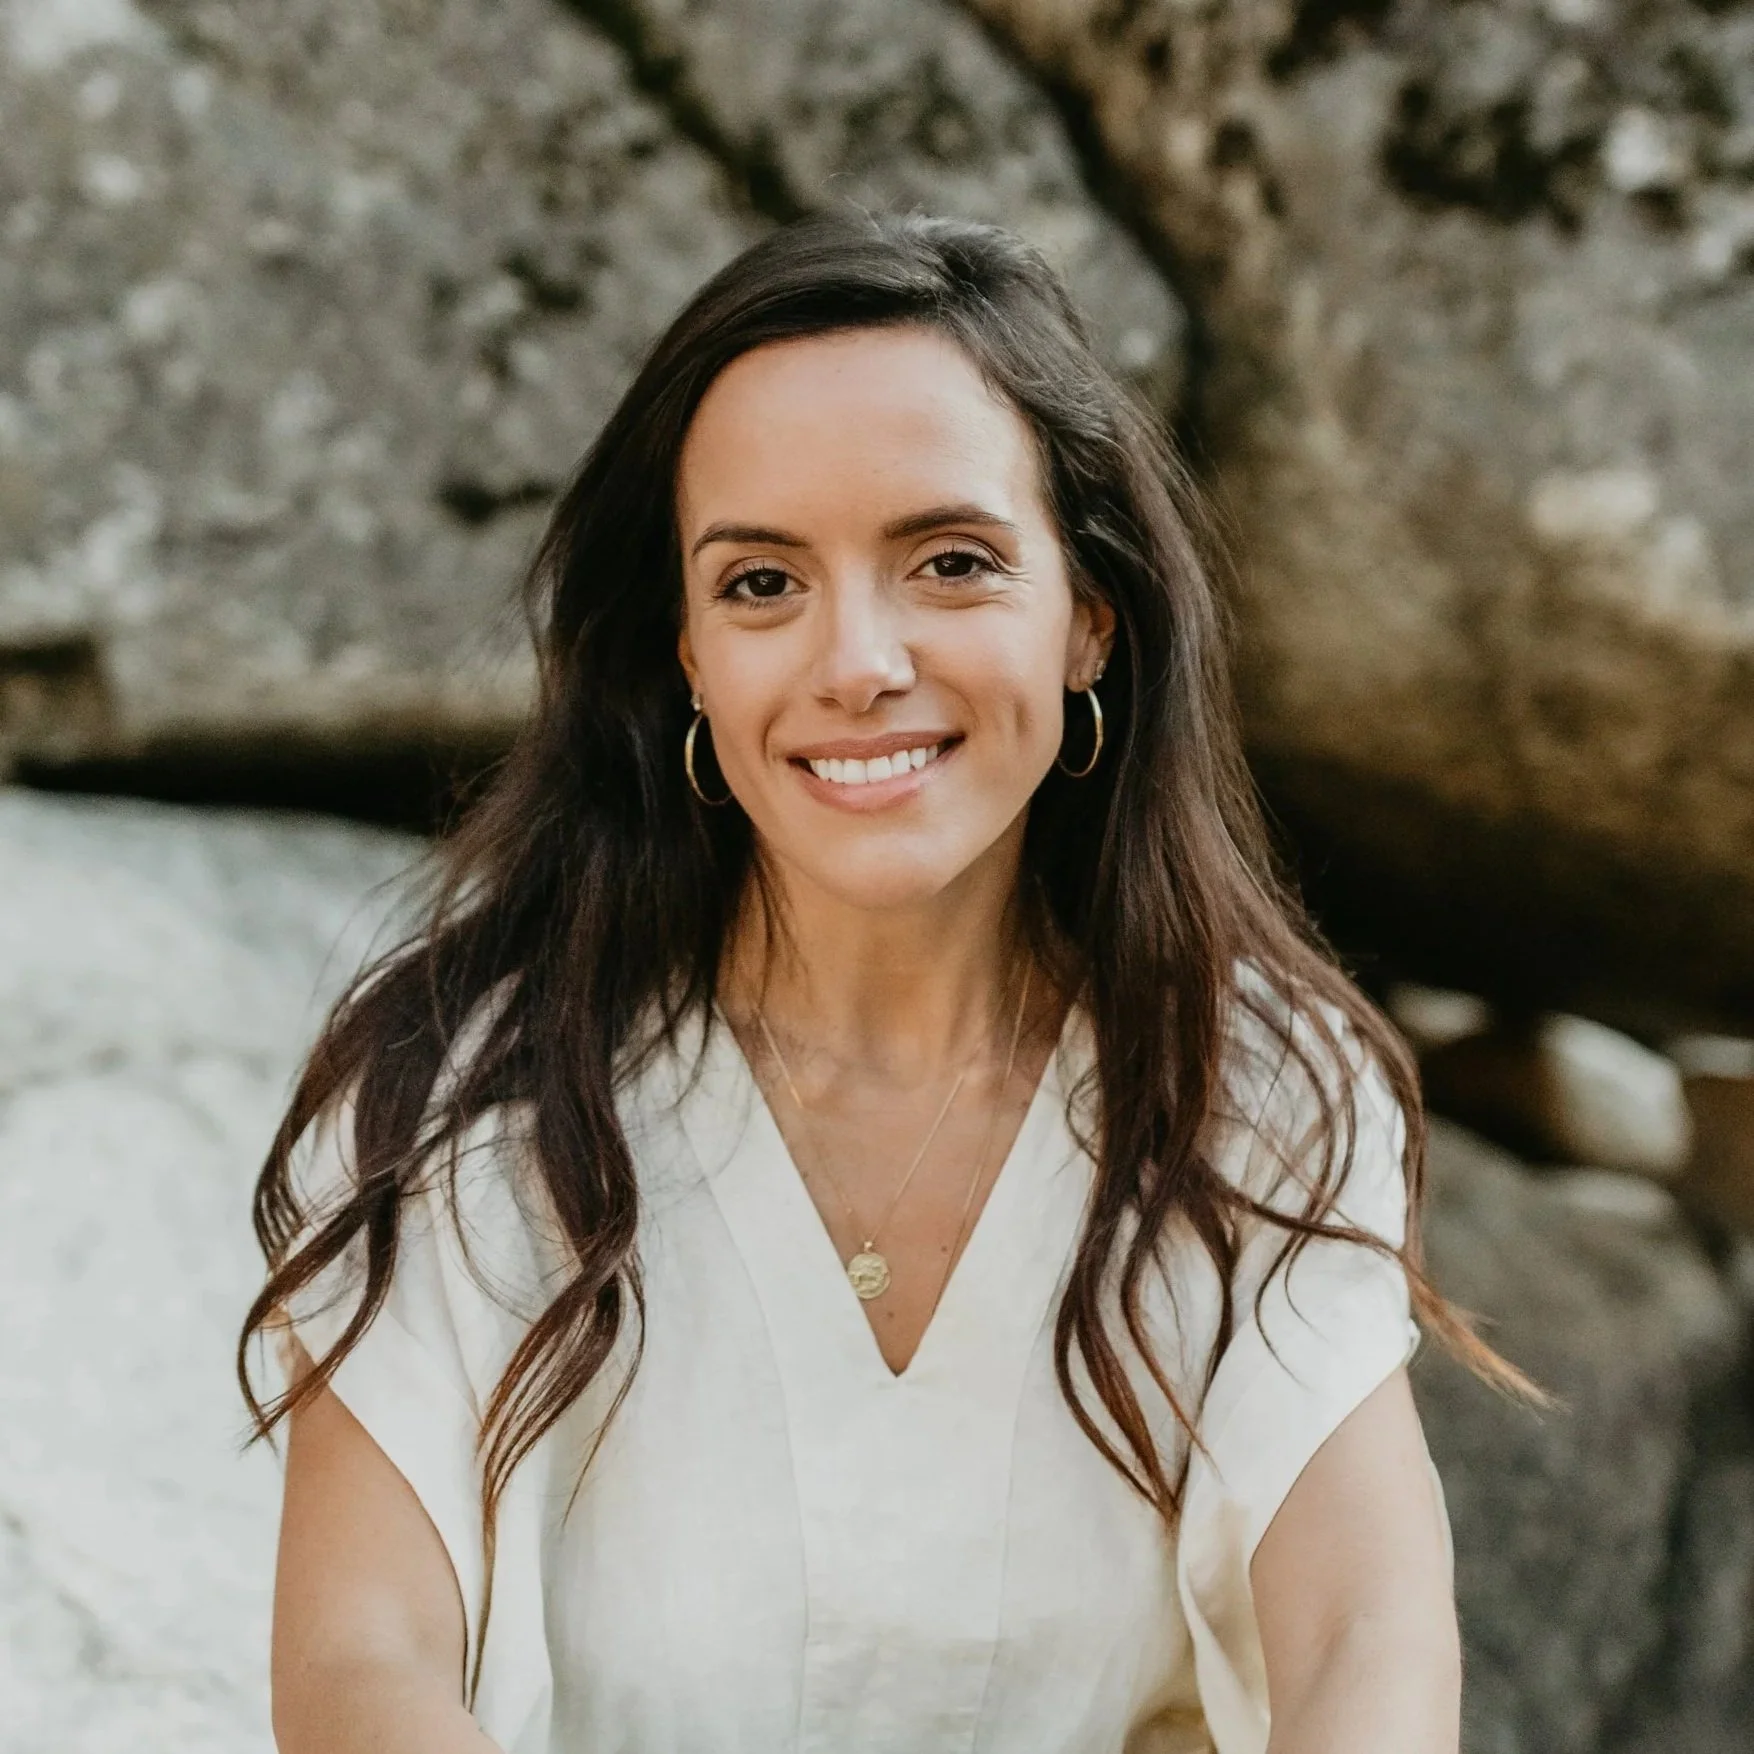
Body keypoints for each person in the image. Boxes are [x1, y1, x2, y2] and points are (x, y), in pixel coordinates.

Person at [241, 209, 1516, 1754]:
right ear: (687, 654)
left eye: (950, 561)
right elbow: (360, 1661)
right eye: (763, 583)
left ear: (1088, 619)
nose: (857, 660)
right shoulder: (461, 1090)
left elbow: (1361, 1643)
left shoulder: (1251, 1089)